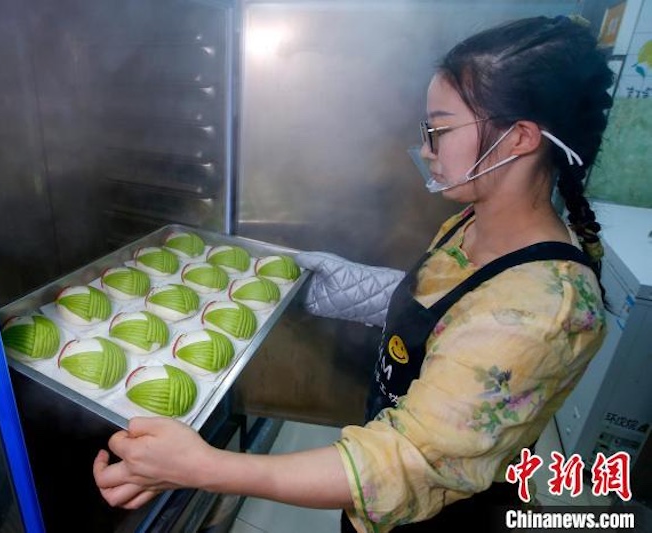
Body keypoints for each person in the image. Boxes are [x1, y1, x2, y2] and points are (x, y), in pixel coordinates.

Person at [93, 15, 612, 532]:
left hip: (438, 514)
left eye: (441, 129)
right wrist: (357, 290)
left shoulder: (547, 309)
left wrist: (207, 467)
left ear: (519, 138)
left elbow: (403, 461)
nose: (427, 149)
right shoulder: (470, 223)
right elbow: (461, 312)